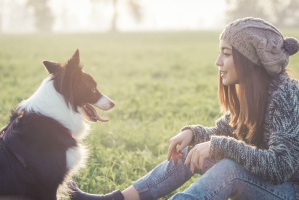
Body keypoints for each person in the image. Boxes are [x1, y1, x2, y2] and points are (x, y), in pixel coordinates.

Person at [69, 17, 299, 200]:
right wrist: (193, 133)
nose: (218, 61)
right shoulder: (251, 94)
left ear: (250, 62)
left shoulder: (286, 95)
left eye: (226, 54)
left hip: (289, 191)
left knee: (230, 169)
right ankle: (117, 199)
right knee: (193, 150)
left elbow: (280, 166)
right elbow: (222, 132)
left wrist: (220, 145)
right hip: (272, 184)